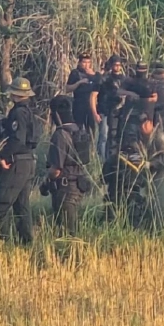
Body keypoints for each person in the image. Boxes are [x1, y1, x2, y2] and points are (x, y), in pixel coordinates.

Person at [0, 77, 41, 245]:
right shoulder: (30, 113)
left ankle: (2, 243)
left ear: (14, 94)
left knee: (0, 206)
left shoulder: (18, 113)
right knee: (21, 206)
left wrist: (4, 156)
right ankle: (26, 243)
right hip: (28, 161)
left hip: (16, 163)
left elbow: (17, 139)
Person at [42, 95, 92, 233]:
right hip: (78, 186)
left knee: (66, 231)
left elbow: (56, 169)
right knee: (72, 228)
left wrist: (45, 181)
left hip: (65, 188)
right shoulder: (80, 131)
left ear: (55, 114)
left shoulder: (60, 135)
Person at [136, 116, 164, 227]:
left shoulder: (159, 137)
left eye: (145, 123)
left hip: (158, 172)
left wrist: (151, 164)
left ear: (151, 123)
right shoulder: (139, 137)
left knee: (159, 202)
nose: (143, 126)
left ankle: (159, 226)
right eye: (141, 124)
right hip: (144, 173)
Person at [95, 56, 127, 160]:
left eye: (119, 65)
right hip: (105, 110)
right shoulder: (105, 79)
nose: (117, 67)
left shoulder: (124, 79)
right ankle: (102, 159)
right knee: (104, 136)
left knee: (115, 135)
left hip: (118, 111)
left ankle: (114, 158)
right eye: (115, 65)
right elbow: (96, 95)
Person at [66, 54, 100, 139]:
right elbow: (68, 88)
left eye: (88, 62)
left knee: (91, 129)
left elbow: (100, 85)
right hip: (79, 103)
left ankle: (91, 144)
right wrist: (79, 82)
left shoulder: (96, 74)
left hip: (92, 105)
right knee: (78, 127)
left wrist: (93, 75)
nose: (86, 65)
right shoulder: (75, 73)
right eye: (84, 62)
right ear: (80, 63)